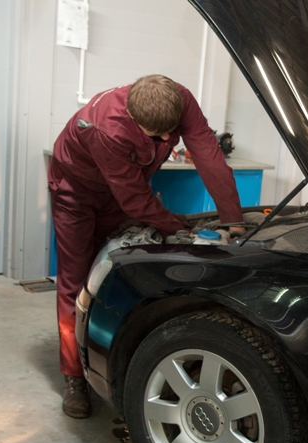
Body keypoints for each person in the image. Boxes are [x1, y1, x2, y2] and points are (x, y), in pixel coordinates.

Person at [48, 74, 243, 418]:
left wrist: (233, 221)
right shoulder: (105, 128)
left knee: (116, 275)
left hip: (117, 194)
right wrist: (178, 227)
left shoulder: (179, 99)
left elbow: (209, 156)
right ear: (133, 117)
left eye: (171, 132)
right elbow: (136, 200)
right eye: (156, 135)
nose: (167, 140)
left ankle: (109, 355)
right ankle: (74, 376)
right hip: (75, 194)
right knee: (75, 282)